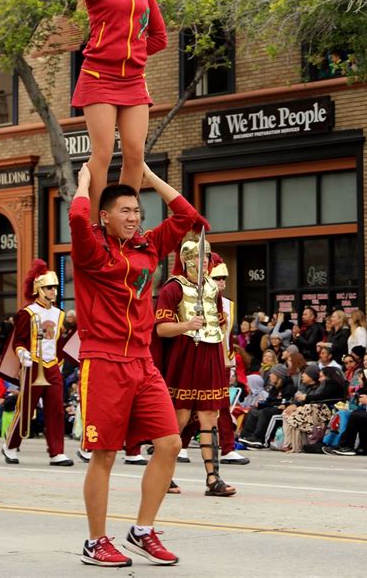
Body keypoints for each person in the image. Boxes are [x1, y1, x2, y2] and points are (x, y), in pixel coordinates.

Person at [69, 161, 205, 567]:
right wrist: (83, 182)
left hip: (142, 362)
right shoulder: (91, 248)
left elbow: (189, 217)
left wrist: (148, 176)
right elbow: (78, 215)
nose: (132, 218)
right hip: (104, 360)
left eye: (136, 212)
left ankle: (142, 530)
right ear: (105, 216)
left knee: (170, 444)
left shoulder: (148, 246)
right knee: (105, 454)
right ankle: (96, 542)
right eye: (124, 211)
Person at [51, 0, 167, 222]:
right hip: (99, 77)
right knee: (102, 154)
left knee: (135, 155)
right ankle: (97, 223)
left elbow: (160, 37)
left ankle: (125, 218)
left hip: (133, 81)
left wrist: (134, 55)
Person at [154, 239, 238, 496]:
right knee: (179, 417)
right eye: (199, 258)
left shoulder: (213, 288)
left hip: (211, 354)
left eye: (207, 257)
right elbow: (161, 329)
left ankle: (213, 478)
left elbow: (220, 325)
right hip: (185, 355)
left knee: (210, 415)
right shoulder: (172, 288)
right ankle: (163, 475)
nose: (204, 262)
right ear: (186, 260)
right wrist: (187, 325)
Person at [0, 260, 73, 467]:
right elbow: (19, 340)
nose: (53, 291)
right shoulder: (27, 312)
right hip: (33, 365)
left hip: (51, 366)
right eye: (49, 287)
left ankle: (57, 452)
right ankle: (11, 445)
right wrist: (23, 354)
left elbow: (57, 341)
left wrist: (60, 361)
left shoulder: (59, 314)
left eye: (55, 287)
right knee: (27, 408)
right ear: (39, 289)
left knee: (56, 409)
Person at [209, 255, 249, 465]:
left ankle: (227, 447)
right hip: (201, 361)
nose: (222, 283)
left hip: (221, 362)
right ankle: (178, 444)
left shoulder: (227, 304)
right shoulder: (194, 301)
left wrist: (230, 360)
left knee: (221, 405)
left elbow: (228, 337)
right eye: (217, 278)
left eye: (224, 278)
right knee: (189, 406)